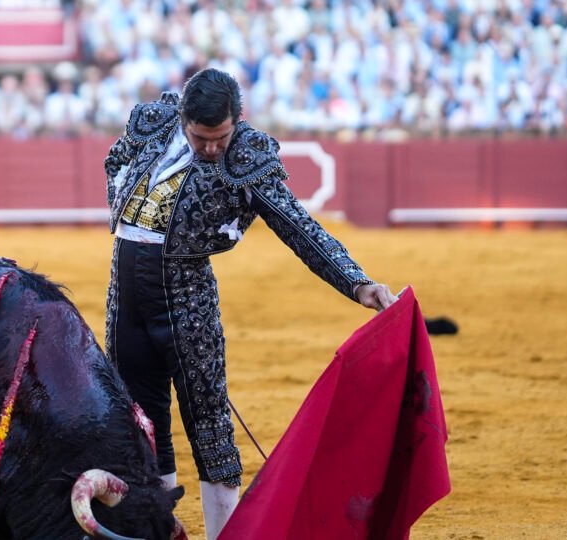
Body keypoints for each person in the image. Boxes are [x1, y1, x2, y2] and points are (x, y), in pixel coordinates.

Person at [102, 68, 397, 539]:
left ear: (237, 121)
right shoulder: (153, 122)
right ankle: (158, 529)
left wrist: (357, 283)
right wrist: (121, 209)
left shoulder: (246, 155)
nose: (211, 148)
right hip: (125, 295)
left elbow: (296, 225)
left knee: (210, 425)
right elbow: (115, 161)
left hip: (187, 298)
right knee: (141, 422)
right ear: (183, 119)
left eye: (220, 137)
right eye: (201, 138)